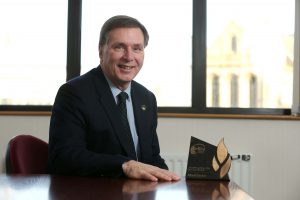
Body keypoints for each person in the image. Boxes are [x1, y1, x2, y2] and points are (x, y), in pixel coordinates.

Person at [48, 15, 180, 182]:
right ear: (101, 50)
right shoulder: (74, 93)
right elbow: (63, 158)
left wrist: (171, 180)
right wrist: (124, 165)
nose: (129, 57)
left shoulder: (146, 98)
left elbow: (152, 158)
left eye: (137, 48)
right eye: (119, 47)